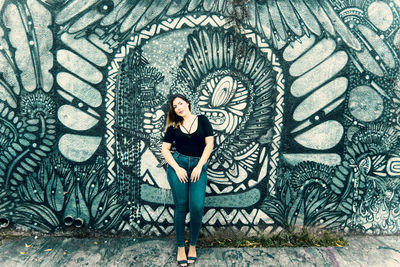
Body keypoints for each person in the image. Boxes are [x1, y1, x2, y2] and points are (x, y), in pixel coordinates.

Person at [161, 94, 214, 266]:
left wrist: (199, 166)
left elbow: (210, 144)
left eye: (180, 103)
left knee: (197, 207)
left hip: (199, 166)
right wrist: (177, 168)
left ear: (188, 103)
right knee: (181, 206)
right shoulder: (174, 125)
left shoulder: (203, 120)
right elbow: (165, 149)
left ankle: (192, 245)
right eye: (175, 106)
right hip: (179, 166)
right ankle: (180, 247)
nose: (178, 108)